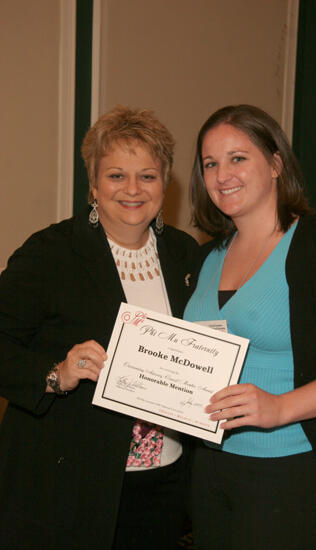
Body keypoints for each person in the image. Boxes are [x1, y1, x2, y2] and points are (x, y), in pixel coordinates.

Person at [0, 105, 199, 550]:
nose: (132, 189)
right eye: (115, 176)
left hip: (163, 478)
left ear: (164, 185)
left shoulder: (187, 257)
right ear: (92, 184)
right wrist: (57, 374)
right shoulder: (49, 254)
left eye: (147, 176)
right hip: (67, 480)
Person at [184, 104, 316, 550]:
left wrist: (280, 408)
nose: (222, 174)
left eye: (238, 158)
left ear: (276, 164)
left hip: (291, 469)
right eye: (211, 164)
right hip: (210, 468)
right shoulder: (207, 258)